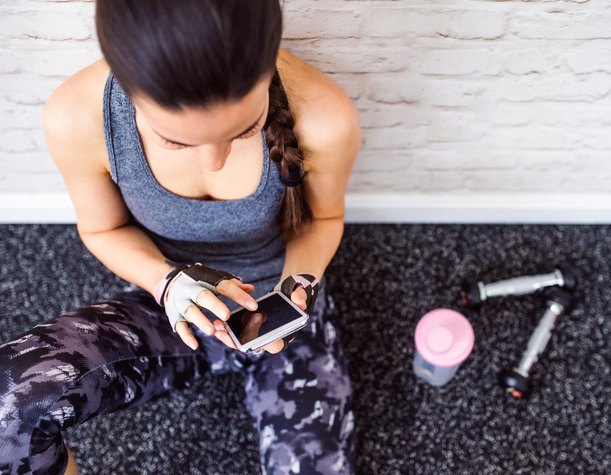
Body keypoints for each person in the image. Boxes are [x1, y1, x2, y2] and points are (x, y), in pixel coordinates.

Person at [0, 1, 361, 473]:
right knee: (8, 409)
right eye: (177, 140)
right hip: (166, 305)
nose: (213, 161)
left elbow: (323, 220)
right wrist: (167, 282)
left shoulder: (325, 116)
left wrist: (297, 289)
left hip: (279, 300)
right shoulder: (78, 116)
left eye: (244, 129)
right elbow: (103, 229)